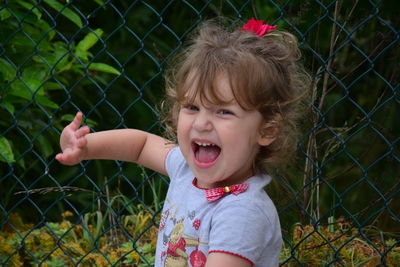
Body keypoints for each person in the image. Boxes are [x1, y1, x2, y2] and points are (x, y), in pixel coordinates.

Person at [56, 18, 309, 267]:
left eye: (223, 112)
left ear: (266, 130)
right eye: (192, 107)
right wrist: (86, 146)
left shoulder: (243, 212)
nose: (201, 123)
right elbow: (141, 145)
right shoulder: (185, 169)